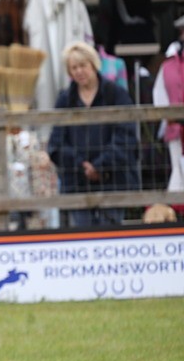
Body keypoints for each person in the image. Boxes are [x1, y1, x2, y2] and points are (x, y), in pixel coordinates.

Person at [47, 42, 139, 228]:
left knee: (111, 233)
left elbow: (126, 136)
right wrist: (82, 165)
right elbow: (56, 143)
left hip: (112, 179)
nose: (79, 71)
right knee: (82, 234)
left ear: (93, 64)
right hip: (77, 182)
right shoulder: (64, 99)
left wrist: (100, 165)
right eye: (74, 67)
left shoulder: (116, 94)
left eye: (83, 65)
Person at [151, 14, 184, 193]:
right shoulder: (168, 65)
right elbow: (159, 94)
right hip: (176, 129)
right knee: (178, 171)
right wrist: (168, 117)